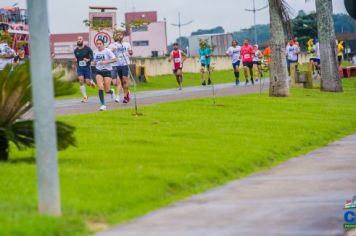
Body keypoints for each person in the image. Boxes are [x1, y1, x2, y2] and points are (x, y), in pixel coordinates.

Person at [92, 39, 117, 111]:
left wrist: (106, 62)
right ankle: (103, 105)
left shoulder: (107, 51)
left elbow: (115, 59)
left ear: (103, 44)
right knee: (100, 87)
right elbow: (94, 61)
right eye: (97, 44)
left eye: (100, 44)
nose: (98, 45)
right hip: (98, 71)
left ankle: (111, 91)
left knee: (107, 90)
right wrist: (94, 63)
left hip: (107, 71)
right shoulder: (95, 51)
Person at [109, 31, 133, 103]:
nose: (119, 36)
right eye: (118, 35)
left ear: (123, 36)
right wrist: (112, 51)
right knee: (122, 82)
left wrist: (130, 52)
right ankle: (127, 92)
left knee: (125, 80)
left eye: (121, 35)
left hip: (125, 64)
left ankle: (125, 97)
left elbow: (131, 52)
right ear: (115, 37)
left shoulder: (127, 44)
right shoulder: (113, 45)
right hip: (117, 64)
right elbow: (109, 54)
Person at [74, 36, 95, 103]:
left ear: (83, 40)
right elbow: (77, 59)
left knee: (87, 82)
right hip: (80, 67)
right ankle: (85, 96)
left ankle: (91, 82)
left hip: (87, 67)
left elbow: (93, 57)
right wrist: (75, 61)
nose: (79, 40)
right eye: (78, 39)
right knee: (80, 80)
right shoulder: (75, 50)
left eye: (80, 39)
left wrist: (88, 59)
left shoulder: (88, 49)